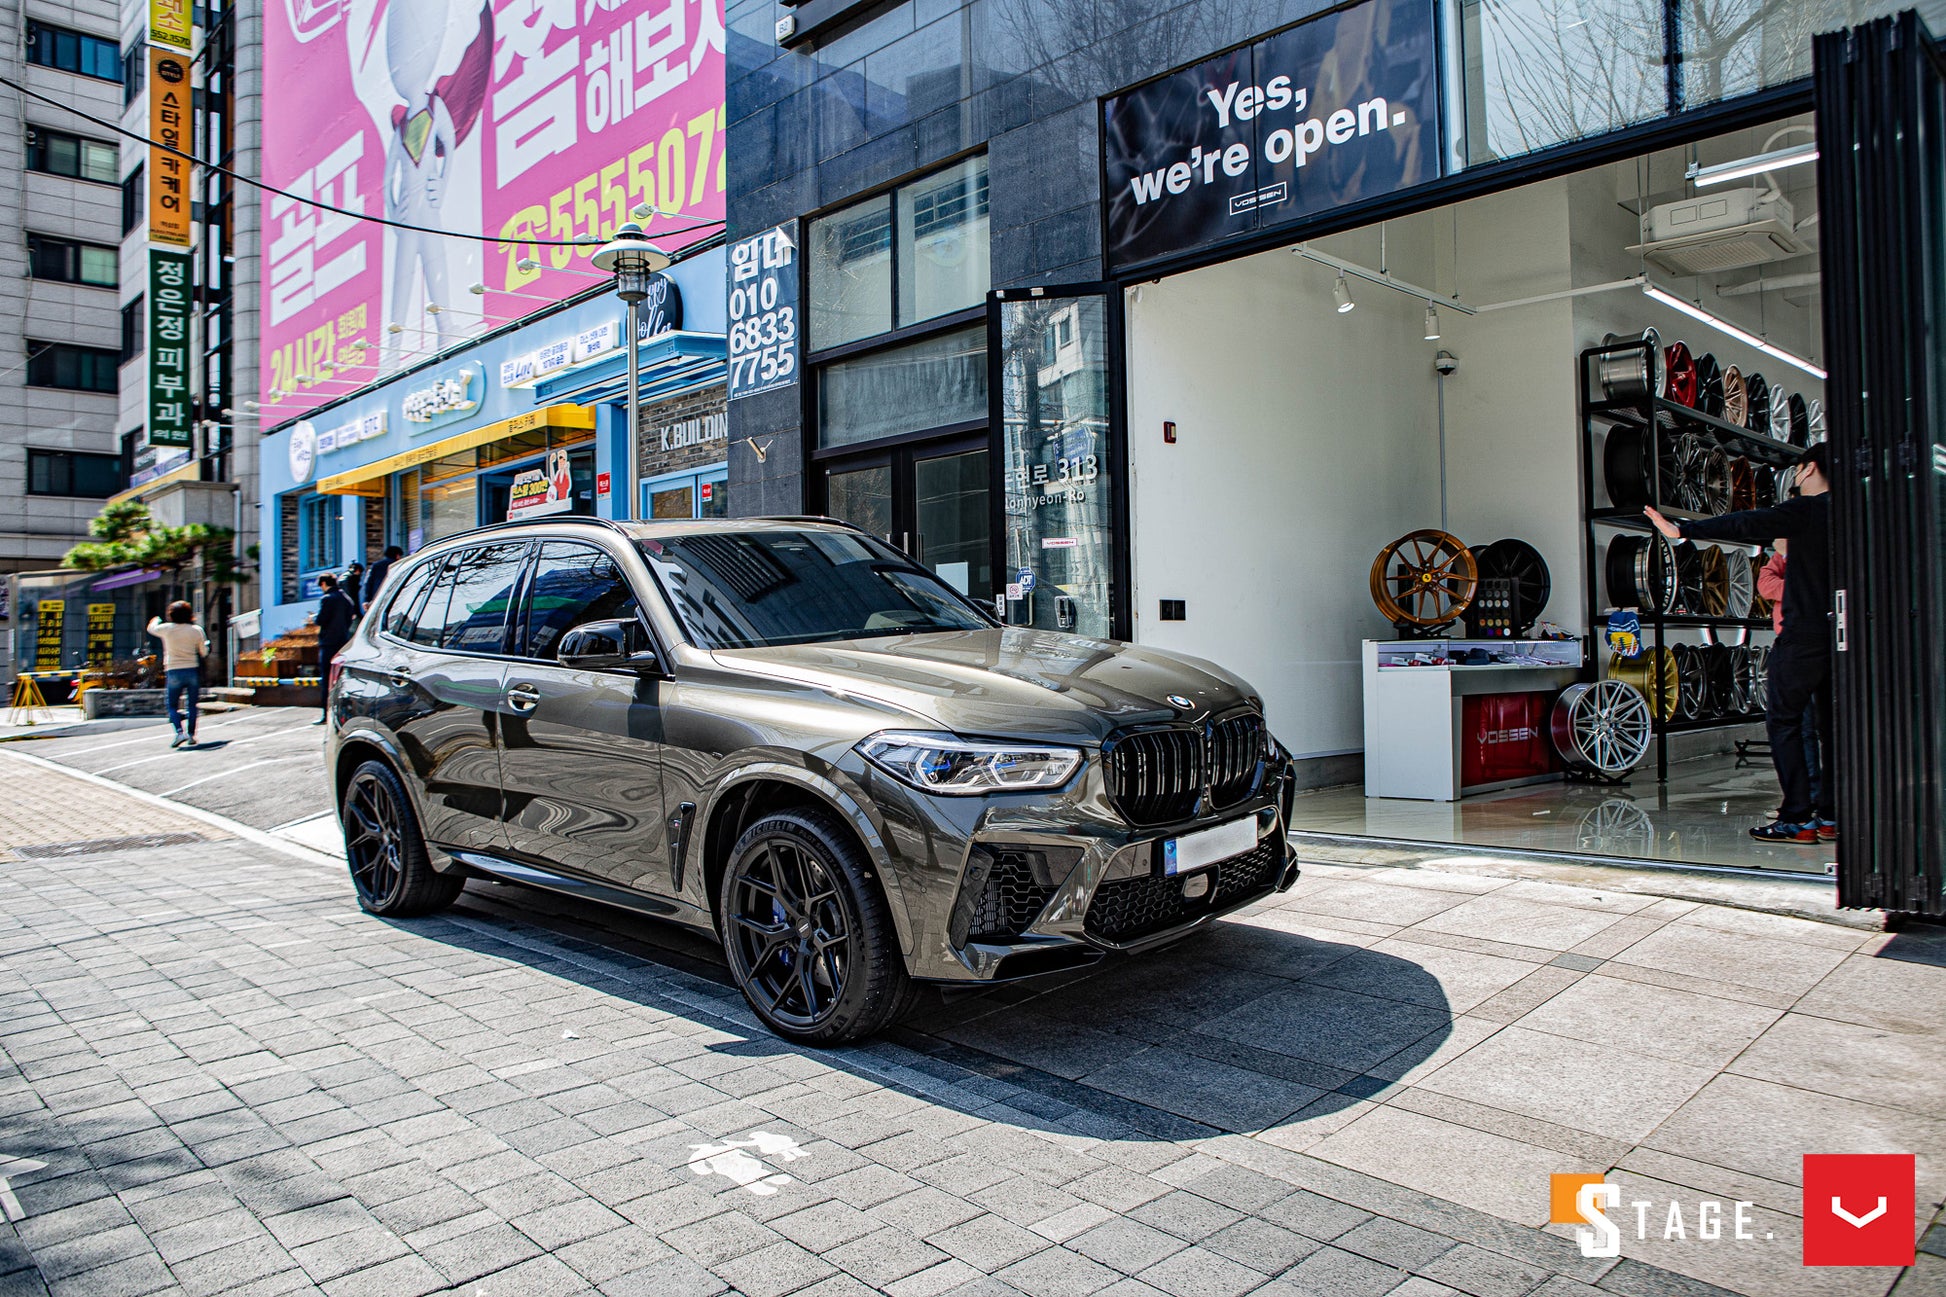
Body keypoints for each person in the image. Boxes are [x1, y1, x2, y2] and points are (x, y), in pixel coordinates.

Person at [1646, 443, 1833, 843]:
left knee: (1784, 722)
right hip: (1840, 637)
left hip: (1800, 637)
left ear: (1809, 469)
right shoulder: (1852, 514)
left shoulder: (1806, 510)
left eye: (1797, 471)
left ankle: (1798, 818)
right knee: (1831, 728)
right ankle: (1831, 815)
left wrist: (1683, 531)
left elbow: (1745, 523)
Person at [1756, 539, 1824, 817]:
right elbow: (1765, 585)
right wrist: (1795, 585)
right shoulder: (1784, 550)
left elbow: (1816, 587)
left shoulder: (1801, 549)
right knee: (1800, 727)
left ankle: (1816, 804)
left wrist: (1790, 573)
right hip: (1792, 644)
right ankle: (1810, 799)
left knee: (1820, 728)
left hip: (1814, 643)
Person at [146, 600, 209, 749]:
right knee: (192, 705)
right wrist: (207, 646)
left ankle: (179, 732)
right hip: (192, 669)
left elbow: (151, 628)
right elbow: (204, 652)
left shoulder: (167, 629)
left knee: (172, 705)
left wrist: (155, 620)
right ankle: (191, 735)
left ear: (171, 615)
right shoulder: (196, 630)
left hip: (173, 670)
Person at [312, 574, 358, 726]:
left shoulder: (327, 599)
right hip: (342, 643)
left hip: (328, 643)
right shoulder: (346, 599)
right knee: (342, 680)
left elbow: (321, 620)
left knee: (327, 680)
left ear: (324, 583)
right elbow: (350, 618)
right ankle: (343, 715)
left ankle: (326, 714)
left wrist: (313, 618)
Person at [364, 545, 404, 611]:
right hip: (394, 598)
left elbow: (369, 583)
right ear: (397, 555)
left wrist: (367, 600)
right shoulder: (399, 565)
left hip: (377, 597)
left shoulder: (376, 565)